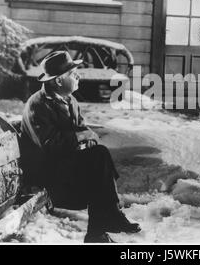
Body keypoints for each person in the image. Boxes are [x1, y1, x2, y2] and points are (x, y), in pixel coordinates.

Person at [20, 50, 141, 243]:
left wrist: (83, 138)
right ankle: (106, 223)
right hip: (47, 174)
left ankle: (98, 231)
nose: (78, 76)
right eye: (72, 73)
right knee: (99, 160)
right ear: (58, 81)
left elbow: (88, 138)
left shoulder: (70, 101)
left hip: (66, 165)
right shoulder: (38, 105)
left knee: (98, 161)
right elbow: (50, 146)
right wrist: (81, 137)